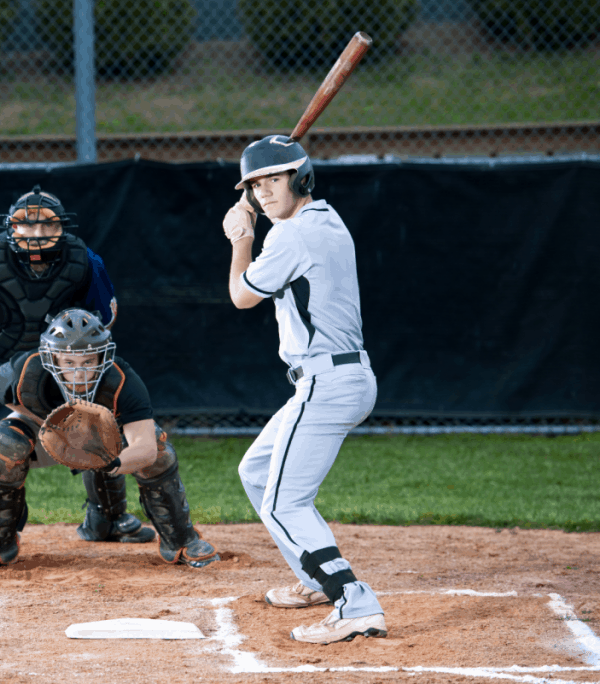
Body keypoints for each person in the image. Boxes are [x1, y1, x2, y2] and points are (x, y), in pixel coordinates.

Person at [0, 186, 153, 563]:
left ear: (62, 228)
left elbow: (102, 323)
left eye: (46, 226)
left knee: (94, 421)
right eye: (24, 226)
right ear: (10, 229)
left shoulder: (84, 260)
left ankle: (108, 519)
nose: (35, 235)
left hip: (55, 362)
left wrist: (79, 372)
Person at [222, 135, 386, 644]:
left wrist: (239, 239)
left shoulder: (291, 238)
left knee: (282, 504)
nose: (265, 191)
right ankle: (316, 579)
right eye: (256, 184)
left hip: (328, 381)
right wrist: (259, 218)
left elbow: (242, 296)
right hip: (336, 378)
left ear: (301, 178)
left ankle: (354, 603)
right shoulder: (326, 219)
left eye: (275, 179)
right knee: (255, 471)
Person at [0, 308, 219, 573]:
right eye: (69, 363)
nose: (79, 372)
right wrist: (51, 424)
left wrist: (110, 462)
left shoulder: (122, 380)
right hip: (44, 429)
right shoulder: (25, 369)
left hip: (103, 439)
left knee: (160, 449)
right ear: (52, 357)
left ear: (102, 356)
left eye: (88, 361)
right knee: (2, 444)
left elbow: (146, 449)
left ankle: (181, 541)